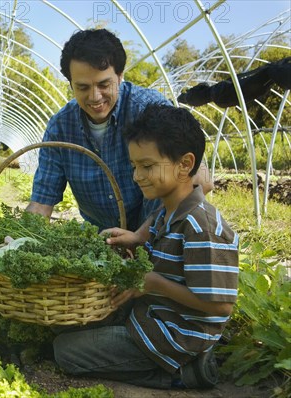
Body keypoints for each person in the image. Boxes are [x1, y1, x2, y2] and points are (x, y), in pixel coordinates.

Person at [52, 104, 239, 389]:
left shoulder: (203, 228)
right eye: (134, 166)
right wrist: (138, 237)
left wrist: (153, 282)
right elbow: (154, 226)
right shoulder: (169, 211)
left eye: (147, 166)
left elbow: (221, 306)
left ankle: (185, 374)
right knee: (63, 322)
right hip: (152, 314)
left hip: (174, 336)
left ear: (185, 164)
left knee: (65, 351)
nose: (137, 176)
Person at [26, 28, 213, 232]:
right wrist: (21, 241)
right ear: (71, 84)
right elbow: (41, 202)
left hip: (159, 236)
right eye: (83, 87)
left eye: (104, 84)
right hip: (103, 243)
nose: (95, 97)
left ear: (120, 76)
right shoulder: (61, 128)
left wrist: (141, 236)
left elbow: (199, 180)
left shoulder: (148, 109)